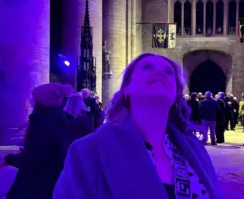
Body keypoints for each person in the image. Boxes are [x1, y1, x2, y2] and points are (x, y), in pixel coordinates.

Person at [54, 53, 222, 199]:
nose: (159, 73)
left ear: (177, 94)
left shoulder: (195, 149)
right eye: (147, 67)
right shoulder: (87, 151)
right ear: (126, 88)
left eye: (168, 71)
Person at [6, 83, 71, 199]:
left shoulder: (42, 123)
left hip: (36, 183)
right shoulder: (59, 119)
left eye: (34, 99)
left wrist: (10, 159)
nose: (31, 102)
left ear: (42, 102)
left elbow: (35, 157)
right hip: (50, 180)